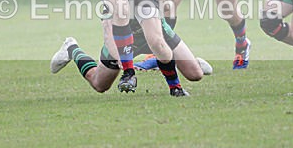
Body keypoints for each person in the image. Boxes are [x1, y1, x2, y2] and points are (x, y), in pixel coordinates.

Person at [49, 17, 213, 93]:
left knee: (195, 75)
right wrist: (120, 59)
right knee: (99, 84)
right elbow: (108, 35)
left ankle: (180, 62)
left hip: (157, 34)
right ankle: (71, 48)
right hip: (122, 43)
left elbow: (168, 5)